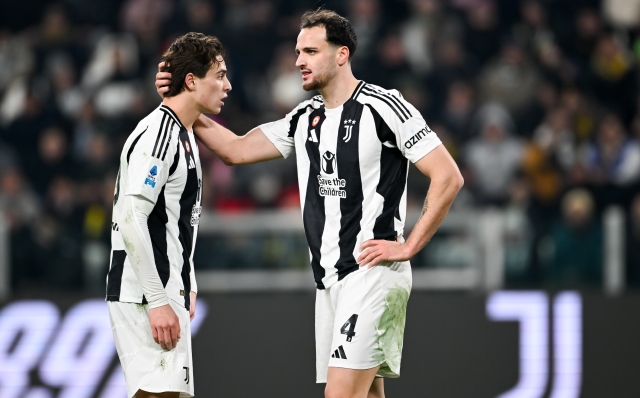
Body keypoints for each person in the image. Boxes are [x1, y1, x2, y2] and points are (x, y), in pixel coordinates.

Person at [157, 9, 462, 398]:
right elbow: (235, 149)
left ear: (341, 55)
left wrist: (409, 246)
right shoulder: (306, 117)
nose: (299, 60)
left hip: (371, 274)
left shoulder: (384, 107)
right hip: (330, 281)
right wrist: (183, 101)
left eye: (310, 51)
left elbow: (448, 176)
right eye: (298, 50)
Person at [107, 32, 231, 398]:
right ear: (192, 81)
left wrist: (186, 282)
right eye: (220, 75)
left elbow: (180, 219)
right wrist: (158, 300)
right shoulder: (160, 133)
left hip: (165, 287)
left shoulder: (185, 132)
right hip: (145, 292)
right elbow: (131, 217)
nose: (227, 85)